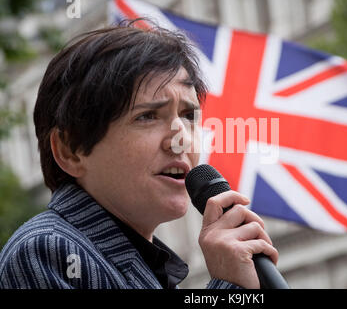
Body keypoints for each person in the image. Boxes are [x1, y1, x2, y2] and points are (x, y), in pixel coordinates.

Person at [0, 19, 278, 289]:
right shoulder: (48, 252)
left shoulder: (143, 264)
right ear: (70, 151)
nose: (181, 140)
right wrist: (227, 285)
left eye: (188, 115)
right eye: (147, 116)